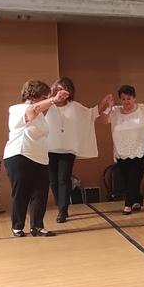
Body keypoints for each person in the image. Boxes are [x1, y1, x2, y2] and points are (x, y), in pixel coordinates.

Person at [3, 80, 70, 237]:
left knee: (40, 193)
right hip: (20, 154)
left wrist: (55, 98)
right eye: (44, 97)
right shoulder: (18, 109)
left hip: (39, 157)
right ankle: (17, 227)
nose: (47, 99)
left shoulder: (40, 114)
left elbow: (41, 109)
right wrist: (53, 99)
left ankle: (37, 226)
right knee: (21, 193)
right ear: (34, 96)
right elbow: (33, 110)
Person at [45, 77, 101, 224]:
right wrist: (50, 96)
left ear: (69, 92)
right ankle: (60, 205)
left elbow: (91, 114)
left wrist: (104, 103)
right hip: (49, 148)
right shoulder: (48, 105)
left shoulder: (75, 107)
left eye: (63, 89)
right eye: (57, 89)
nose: (59, 92)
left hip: (68, 150)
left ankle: (63, 210)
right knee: (53, 181)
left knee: (63, 179)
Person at [100, 85, 144, 215]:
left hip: (140, 150)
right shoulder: (114, 111)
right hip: (122, 151)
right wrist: (109, 106)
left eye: (129, 98)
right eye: (123, 99)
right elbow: (103, 121)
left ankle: (128, 205)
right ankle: (137, 200)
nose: (126, 101)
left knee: (134, 178)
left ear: (134, 98)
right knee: (127, 179)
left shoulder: (142, 108)